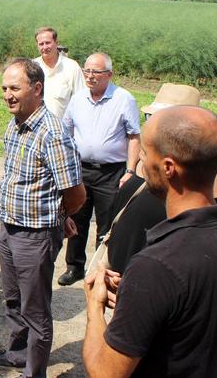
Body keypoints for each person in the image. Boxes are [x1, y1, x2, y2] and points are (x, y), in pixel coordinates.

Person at [83, 106, 217, 377]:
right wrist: (141, 297)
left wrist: (94, 304)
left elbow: (106, 372)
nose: (140, 158)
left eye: (145, 153)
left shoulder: (155, 265)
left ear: (168, 168)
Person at [0, 58, 85, 376]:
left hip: (35, 235)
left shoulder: (52, 134)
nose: (8, 94)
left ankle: (33, 372)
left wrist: (60, 214)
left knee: (35, 310)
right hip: (10, 230)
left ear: (37, 89)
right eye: (5, 88)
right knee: (13, 301)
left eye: (15, 88)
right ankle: (16, 355)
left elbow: (76, 193)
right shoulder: (15, 123)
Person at [106, 83, 217, 274]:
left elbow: (200, 229)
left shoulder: (204, 171)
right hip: (121, 263)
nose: (151, 123)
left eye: (159, 119)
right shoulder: (146, 155)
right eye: (150, 117)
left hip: (151, 268)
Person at [57, 53, 141, 286]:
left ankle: (99, 269)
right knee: (76, 218)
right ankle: (74, 267)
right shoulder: (78, 98)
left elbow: (134, 136)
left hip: (111, 172)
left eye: (96, 72)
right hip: (81, 170)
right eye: (87, 71)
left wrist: (130, 171)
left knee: (107, 223)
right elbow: (66, 132)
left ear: (109, 75)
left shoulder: (124, 99)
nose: (90, 76)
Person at [32, 27, 84, 119]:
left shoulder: (72, 67)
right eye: (41, 44)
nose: (44, 47)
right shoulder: (32, 67)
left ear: (56, 42)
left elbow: (81, 101)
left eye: (48, 43)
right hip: (36, 128)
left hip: (62, 130)